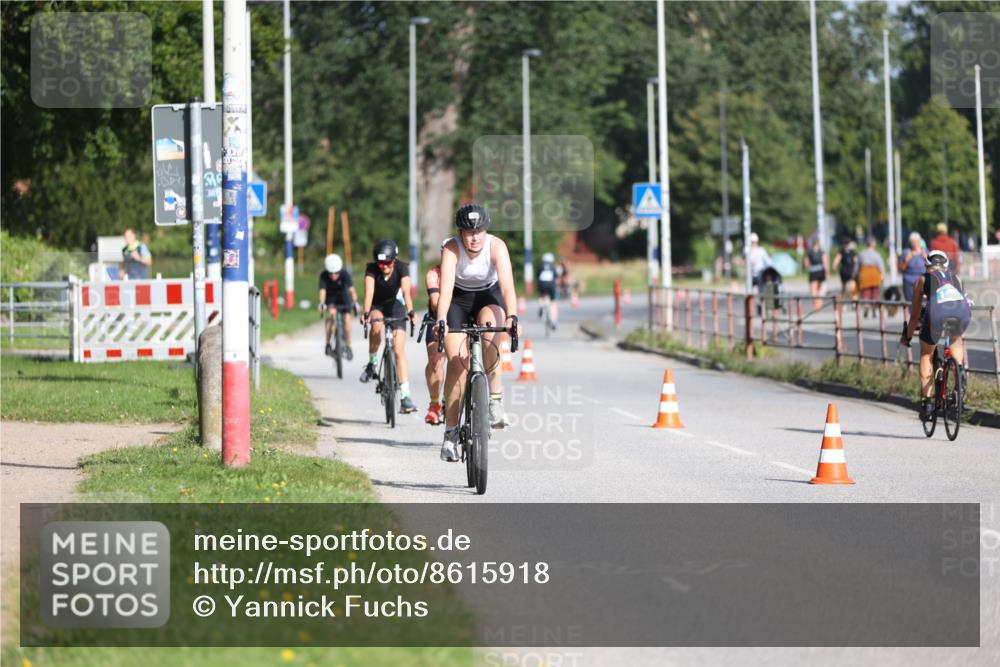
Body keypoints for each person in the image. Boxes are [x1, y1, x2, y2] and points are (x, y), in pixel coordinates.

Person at [435, 204, 519, 463]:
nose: (475, 237)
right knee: (457, 363)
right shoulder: (451, 249)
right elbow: (446, 291)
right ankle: (450, 434)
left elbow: (507, 287)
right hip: (458, 300)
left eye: (479, 231)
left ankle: (495, 400)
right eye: (469, 232)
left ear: (486, 230)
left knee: (492, 337)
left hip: (488, 296)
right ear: (460, 233)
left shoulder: (497, 246)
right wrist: (441, 319)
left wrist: (512, 316)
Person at [901, 250, 971, 420]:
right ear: (946, 266)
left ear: (926, 266)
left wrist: (907, 336)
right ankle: (960, 373)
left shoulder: (922, 279)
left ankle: (927, 403)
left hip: (937, 314)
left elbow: (915, 316)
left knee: (926, 354)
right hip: (962, 313)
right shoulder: (956, 278)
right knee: (955, 340)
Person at [359, 240, 418, 414]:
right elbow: (369, 293)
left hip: (395, 306)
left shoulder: (402, 268)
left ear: (394, 259)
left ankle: (405, 396)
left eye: (388, 263)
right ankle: (372, 363)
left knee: (399, 351)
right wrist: (366, 313)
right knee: (376, 325)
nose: (384, 266)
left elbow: (406, 292)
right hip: (377, 305)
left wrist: (411, 311)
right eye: (381, 263)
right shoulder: (371, 269)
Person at [318, 253, 358, 360]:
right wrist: (322, 303)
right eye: (330, 273)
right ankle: (327, 344)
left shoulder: (345, 274)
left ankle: (348, 345)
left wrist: (355, 301)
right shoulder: (323, 276)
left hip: (343, 297)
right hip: (331, 297)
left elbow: (351, 290)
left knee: (347, 320)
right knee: (331, 315)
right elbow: (322, 291)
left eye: (336, 273)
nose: (333, 275)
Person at [422, 252, 446, 425]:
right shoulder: (433, 274)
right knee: (435, 361)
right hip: (436, 318)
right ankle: (435, 403)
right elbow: (436, 303)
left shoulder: (467, 273)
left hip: (463, 318)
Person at [857, 238, 885, 317]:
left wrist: (854, 275)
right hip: (875, 274)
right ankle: (874, 308)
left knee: (865, 292)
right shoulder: (876, 254)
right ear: (873, 245)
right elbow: (881, 265)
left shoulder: (862, 254)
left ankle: (866, 305)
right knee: (875, 292)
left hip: (864, 274)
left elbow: (857, 266)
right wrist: (882, 274)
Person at [899, 232, 927, 302]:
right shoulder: (906, 252)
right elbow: (901, 268)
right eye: (913, 242)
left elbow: (931, 268)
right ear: (910, 243)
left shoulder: (925, 252)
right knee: (910, 302)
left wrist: (926, 258)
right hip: (909, 281)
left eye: (917, 242)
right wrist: (907, 259)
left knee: (922, 303)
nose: (915, 244)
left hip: (922, 281)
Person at [804, 237, 828, 311]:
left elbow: (806, 262)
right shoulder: (822, 251)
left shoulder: (809, 252)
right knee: (820, 290)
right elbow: (825, 262)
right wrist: (827, 271)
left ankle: (815, 304)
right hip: (821, 271)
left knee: (813, 290)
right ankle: (819, 304)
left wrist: (808, 268)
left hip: (813, 271)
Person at [536, 251, 559, 329]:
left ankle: (541, 306)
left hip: (542, 284)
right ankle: (554, 321)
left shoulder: (541, 265)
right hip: (551, 285)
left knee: (541, 296)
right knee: (553, 302)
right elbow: (556, 276)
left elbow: (537, 274)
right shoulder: (553, 266)